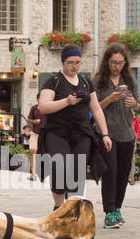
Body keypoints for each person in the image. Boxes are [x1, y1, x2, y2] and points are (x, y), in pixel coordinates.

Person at [37, 45, 113, 208]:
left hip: (82, 132)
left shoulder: (86, 82)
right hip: (57, 132)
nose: (74, 66)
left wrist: (105, 134)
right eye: (70, 62)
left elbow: (96, 108)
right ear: (63, 62)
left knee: (77, 172)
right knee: (60, 167)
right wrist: (67, 101)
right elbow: (43, 106)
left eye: (78, 62)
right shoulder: (53, 81)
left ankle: (73, 208)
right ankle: (58, 208)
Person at [93, 43, 140, 228]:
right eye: (113, 62)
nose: (117, 66)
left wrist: (133, 103)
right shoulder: (99, 81)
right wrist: (109, 99)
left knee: (123, 173)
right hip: (106, 132)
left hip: (127, 132)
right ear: (107, 62)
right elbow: (93, 107)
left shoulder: (130, 80)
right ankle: (109, 211)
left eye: (120, 62)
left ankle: (117, 208)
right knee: (110, 171)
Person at [27, 101, 43, 178]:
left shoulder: (49, 108)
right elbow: (29, 119)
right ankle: (33, 173)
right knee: (33, 150)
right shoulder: (34, 108)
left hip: (45, 134)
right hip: (35, 133)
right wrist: (35, 121)